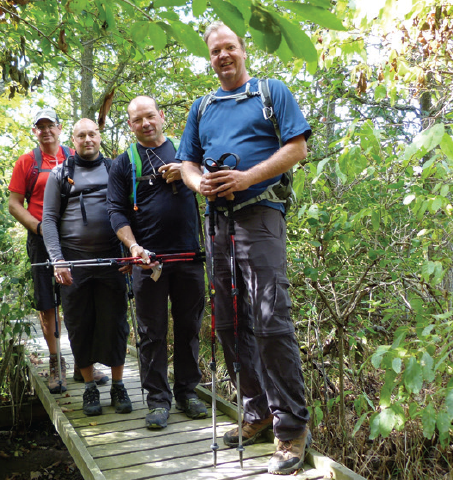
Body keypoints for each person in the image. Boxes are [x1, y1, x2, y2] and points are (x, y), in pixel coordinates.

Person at [179, 21, 312, 475]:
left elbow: (297, 149)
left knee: (271, 320)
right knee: (230, 322)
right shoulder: (202, 106)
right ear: (209, 57)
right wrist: (202, 186)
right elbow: (186, 163)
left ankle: (291, 428)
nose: (222, 57)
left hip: (261, 215)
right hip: (218, 221)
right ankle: (255, 412)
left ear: (243, 49)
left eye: (229, 48)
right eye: (215, 51)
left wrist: (245, 178)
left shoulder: (270, 92)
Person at [107, 96, 206, 430]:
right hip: (147, 263)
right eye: (138, 120)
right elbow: (116, 210)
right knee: (151, 332)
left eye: (150, 116)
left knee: (189, 326)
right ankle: (158, 400)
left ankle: (188, 393)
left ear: (162, 117)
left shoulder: (187, 153)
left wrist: (187, 171)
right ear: (130, 125)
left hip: (189, 258)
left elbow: (210, 183)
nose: (146, 123)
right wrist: (133, 246)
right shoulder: (124, 163)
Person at [8, 107, 108, 394]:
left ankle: (83, 362)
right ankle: (56, 363)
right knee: (47, 301)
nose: (46, 131)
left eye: (50, 125)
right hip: (41, 238)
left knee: (80, 298)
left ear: (60, 128)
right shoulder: (27, 162)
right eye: (40, 127)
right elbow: (14, 204)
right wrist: (38, 227)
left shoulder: (74, 156)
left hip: (75, 238)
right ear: (34, 131)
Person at [41, 118, 132, 416]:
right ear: (74, 140)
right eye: (82, 135)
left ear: (99, 135)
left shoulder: (116, 168)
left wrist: (131, 252)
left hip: (112, 258)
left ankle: (118, 385)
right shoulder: (60, 173)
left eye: (92, 134)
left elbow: (132, 211)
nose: (88, 139)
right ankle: (90, 387)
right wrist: (58, 259)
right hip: (73, 261)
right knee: (80, 324)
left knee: (115, 321)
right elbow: (49, 220)